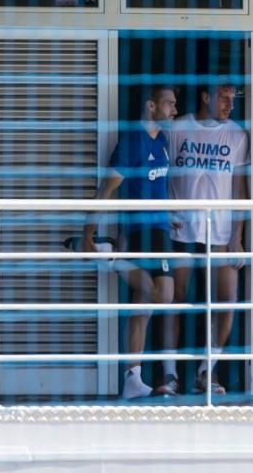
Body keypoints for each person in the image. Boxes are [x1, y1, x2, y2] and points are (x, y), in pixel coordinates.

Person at [82, 84, 178, 400]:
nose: (174, 111)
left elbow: (159, 187)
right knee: (150, 290)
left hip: (161, 230)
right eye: (169, 104)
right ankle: (133, 378)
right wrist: (87, 234)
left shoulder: (162, 141)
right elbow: (106, 190)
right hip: (138, 231)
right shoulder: (131, 143)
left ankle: (113, 257)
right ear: (151, 106)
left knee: (162, 293)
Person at [157, 82, 250, 396]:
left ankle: (205, 372)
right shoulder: (177, 128)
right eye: (223, 98)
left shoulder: (237, 134)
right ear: (206, 97)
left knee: (227, 301)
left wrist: (237, 236)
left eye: (232, 99)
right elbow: (157, 170)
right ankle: (170, 376)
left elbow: (240, 189)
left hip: (221, 232)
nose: (229, 105)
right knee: (175, 301)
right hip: (180, 230)